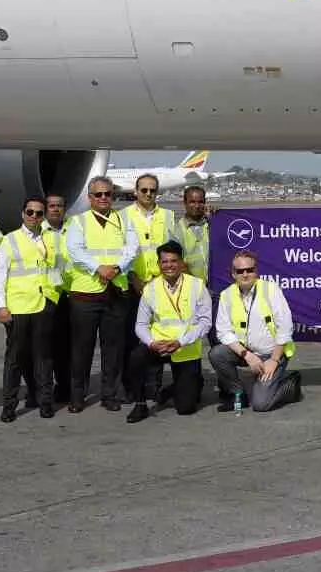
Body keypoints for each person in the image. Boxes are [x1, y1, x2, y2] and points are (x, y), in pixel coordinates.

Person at [65, 178, 138, 412]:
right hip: (86, 293)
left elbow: (132, 248)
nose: (104, 198)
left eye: (107, 194)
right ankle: (77, 396)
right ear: (90, 198)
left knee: (113, 349)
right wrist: (99, 268)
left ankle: (110, 394)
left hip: (115, 291)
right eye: (98, 195)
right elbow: (75, 251)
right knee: (81, 349)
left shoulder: (123, 220)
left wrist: (116, 268)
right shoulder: (78, 222)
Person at [126, 242, 210, 422]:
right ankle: (140, 405)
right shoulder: (150, 288)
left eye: (173, 261)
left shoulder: (197, 286)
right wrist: (151, 343)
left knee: (186, 408)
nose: (169, 265)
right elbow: (140, 325)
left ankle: (186, 385)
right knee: (136, 356)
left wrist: (181, 341)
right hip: (159, 345)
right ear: (159, 264)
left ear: (181, 263)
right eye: (164, 262)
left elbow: (205, 323)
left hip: (184, 348)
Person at [209, 249, 301, 412]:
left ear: (256, 271)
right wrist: (247, 355)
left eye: (249, 270)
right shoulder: (226, 295)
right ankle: (238, 394)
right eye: (240, 271)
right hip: (248, 352)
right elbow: (223, 332)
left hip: (273, 354)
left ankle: (291, 384)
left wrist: (273, 360)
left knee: (261, 404)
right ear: (233, 274)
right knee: (217, 354)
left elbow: (285, 327)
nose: (245, 274)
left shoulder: (271, 290)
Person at [0, 196, 59, 422]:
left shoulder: (49, 239)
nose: (34, 217)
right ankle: (9, 406)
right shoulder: (9, 241)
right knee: (15, 360)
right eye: (30, 212)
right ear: (23, 214)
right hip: (18, 308)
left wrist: (55, 298)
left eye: (39, 213)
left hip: (43, 306)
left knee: (43, 358)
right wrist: (1, 306)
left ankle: (45, 402)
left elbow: (56, 268)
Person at [43, 192, 76, 408]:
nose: (56, 209)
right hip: (46, 295)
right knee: (46, 346)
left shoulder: (74, 228)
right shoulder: (38, 230)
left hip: (70, 293)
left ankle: (65, 387)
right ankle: (43, 389)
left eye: (60, 205)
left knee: (68, 345)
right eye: (52, 206)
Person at [124, 174, 181, 289]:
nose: (148, 194)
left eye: (152, 190)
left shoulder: (168, 215)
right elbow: (119, 252)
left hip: (161, 282)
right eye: (144, 190)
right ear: (136, 191)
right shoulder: (123, 215)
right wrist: (134, 279)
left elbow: (174, 249)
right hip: (132, 283)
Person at [178, 185, 212, 281]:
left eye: (200, 202)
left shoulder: (212, 224)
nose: (197, 206)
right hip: (193, 288)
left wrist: (217, 216)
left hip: (217, 287)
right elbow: (179, 264)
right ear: (185, 203)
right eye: (192, 202)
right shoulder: (176, 231)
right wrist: (197, 286)